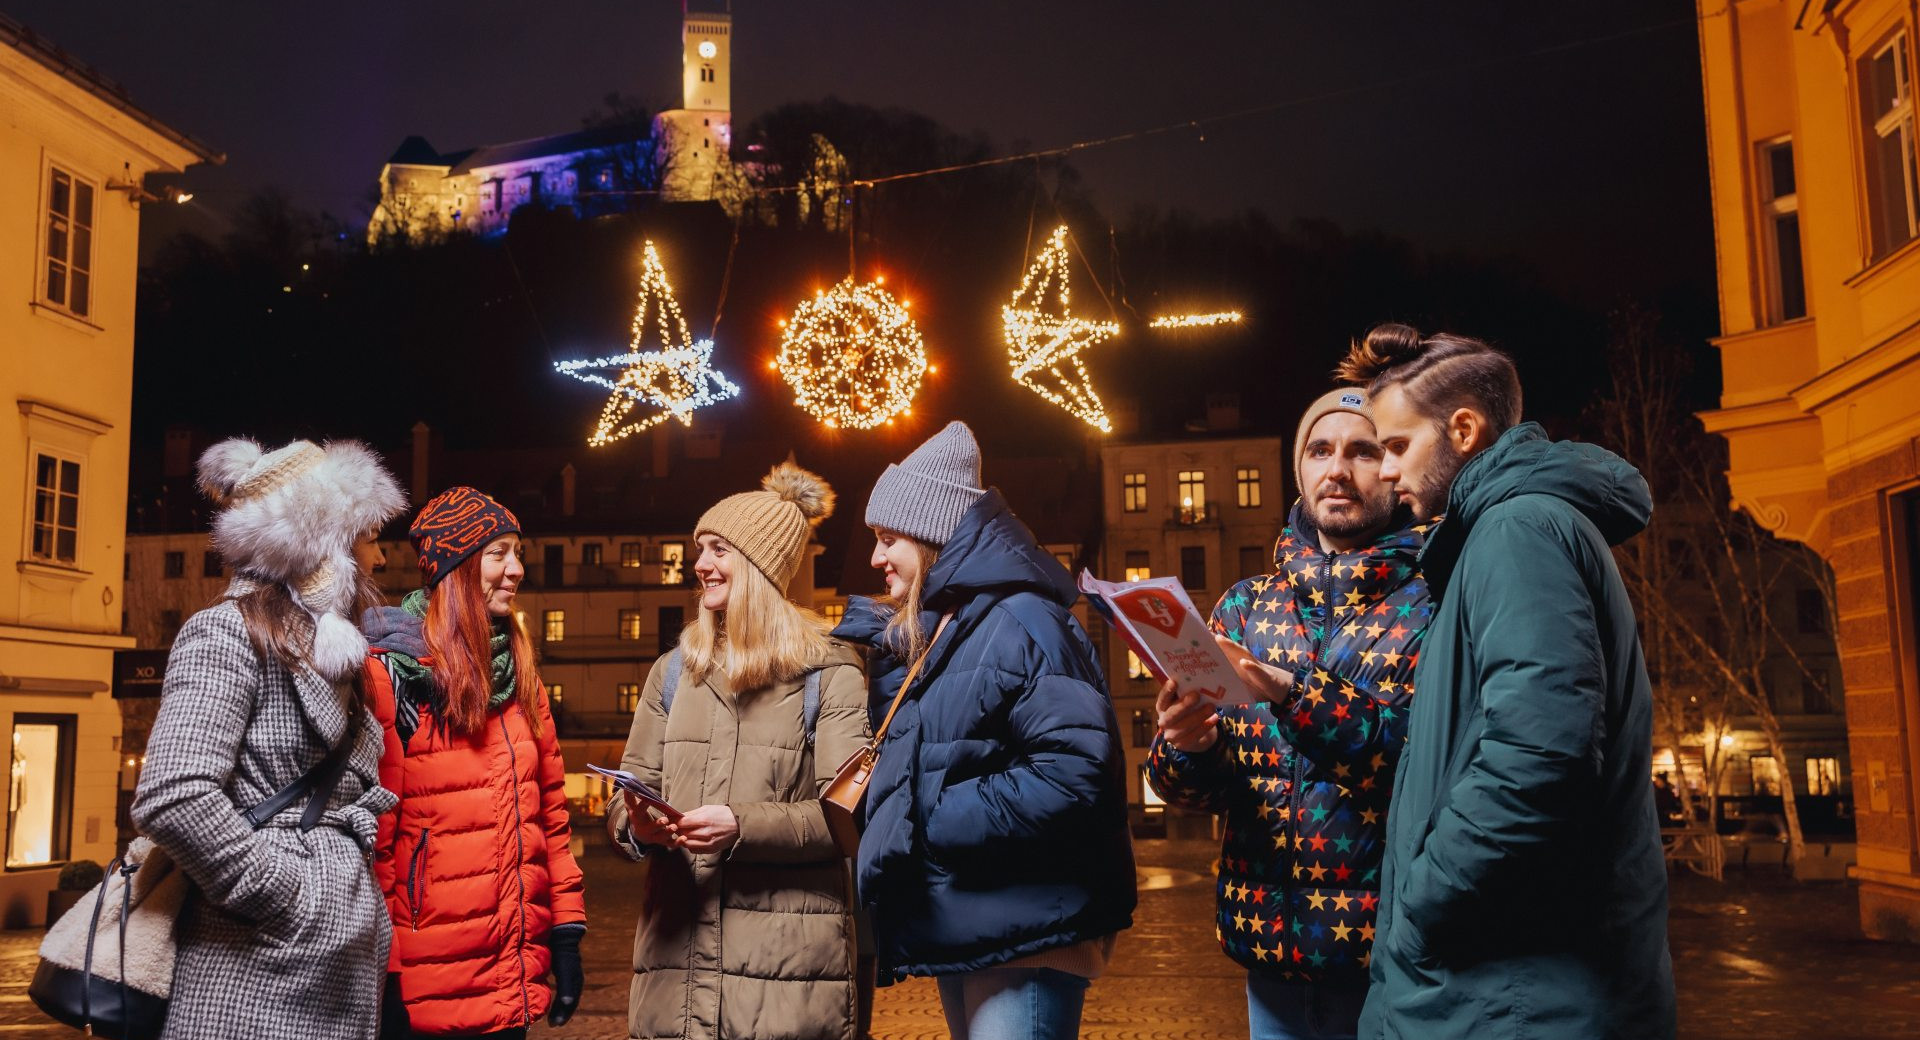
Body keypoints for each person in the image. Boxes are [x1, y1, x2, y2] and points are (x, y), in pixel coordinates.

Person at [1338, 324, 1676, 1039]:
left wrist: (1424, 902)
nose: (1385, 474)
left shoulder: (1516, 531)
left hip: (1511, 995)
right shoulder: (1516, 530)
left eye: (1397, 446)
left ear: (1463, 429)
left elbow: (1539, 759)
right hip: (1510, 988)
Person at [1146, 389, 1433, 1040]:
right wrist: (1187, 747)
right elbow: (1196, 791)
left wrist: (1292, 692)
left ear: (1392, 468)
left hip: (1387, 959)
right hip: (1267, 952)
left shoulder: (1432, 603)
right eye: (1320, 450)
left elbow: (1417, 764)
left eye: (1363, 450)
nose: (1338, 469)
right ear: (1299, 472)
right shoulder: (1244, 608)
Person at [834, 421, 1135, 1040]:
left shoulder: (1022, 620)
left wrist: (930, 815)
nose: (875, 557)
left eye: (888, 538)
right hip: (977, 919)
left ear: (934, 534)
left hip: (1028, 931)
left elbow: (1074, 774)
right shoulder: (948, 630)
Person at [131, 438, 407, 1040]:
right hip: (252, 972)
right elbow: (173, 794)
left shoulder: (323, 648)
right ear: (324, 540)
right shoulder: (224, 633)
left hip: (326, 969)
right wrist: (290, 898)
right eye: (368, 536)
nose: (380, 558)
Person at [605, 461, 871, 1040]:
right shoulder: (673, 672)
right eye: (700, 548)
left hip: (788, 980)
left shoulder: (830, 671)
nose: (700, 564)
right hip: (674, 976)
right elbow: (627, 795)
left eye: (719, 549)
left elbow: (848, 818)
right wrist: (637, 825)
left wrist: (740, 826)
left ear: (759, 565)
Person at [362, 486, 586, 1039]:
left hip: (511, 979)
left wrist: (566, 932)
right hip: (424, 989)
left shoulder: (522, 680)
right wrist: (383, 975)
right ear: (454, 566)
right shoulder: (392, 675)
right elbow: (375, 847)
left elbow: (551, 821)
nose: (515, 570)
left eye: (519, 554)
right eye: (498, 553)